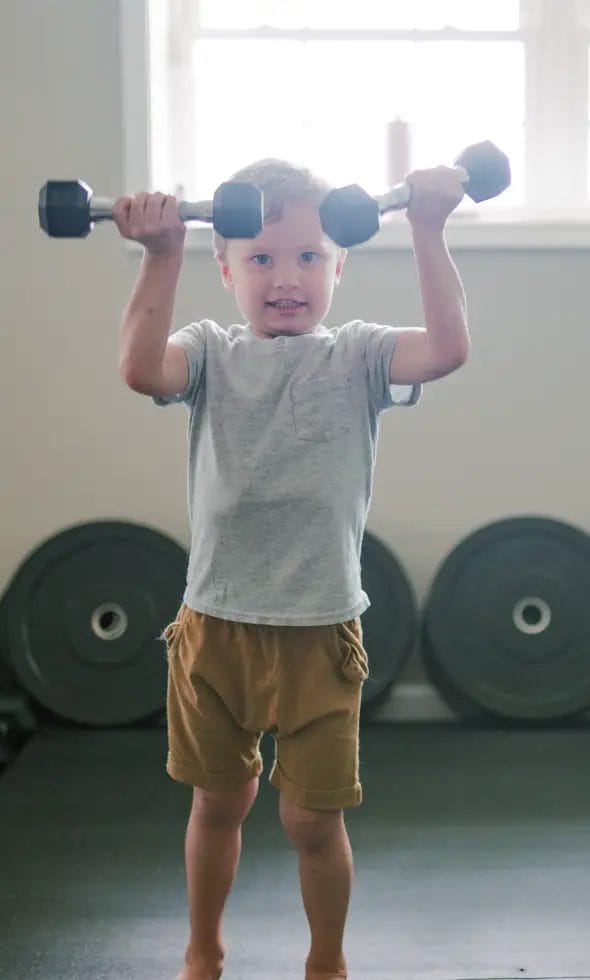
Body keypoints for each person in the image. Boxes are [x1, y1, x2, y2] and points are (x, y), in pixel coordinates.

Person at [114, 157, 469, 980]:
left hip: (319, 633)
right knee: (219, 802)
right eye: (264, 258)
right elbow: (140, 369)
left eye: (309, 257)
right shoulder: (206, 351)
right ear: (226, 266)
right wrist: (158, 253)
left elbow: (448, 349)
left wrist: (428, 227)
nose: (287, 277)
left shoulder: (358, 356)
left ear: (340, 265)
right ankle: (203, 950)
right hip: (217, 629)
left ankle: (327, 961)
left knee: (313, 821)